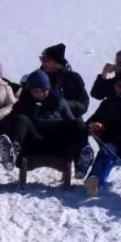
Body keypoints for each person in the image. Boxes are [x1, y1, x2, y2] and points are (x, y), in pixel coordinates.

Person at [0, 69, 87, 172]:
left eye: (43, 90)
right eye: (35, 91)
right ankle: (13, 153)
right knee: (22, 119)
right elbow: (9, 121)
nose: (40, 94)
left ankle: (81, 160)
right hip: (33, 144)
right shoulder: (23, 103)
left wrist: (82, 128)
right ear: (30, 91)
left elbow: (71, 122)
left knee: (78, 122)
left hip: (57, 142)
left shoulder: (59, 102)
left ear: (48, 88)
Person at [37, 43, 93, 174]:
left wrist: (64, 105)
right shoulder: (39, 78)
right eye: (42, 59)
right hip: (45, 120)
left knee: (79, 124)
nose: (42, 62)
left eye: (46, 59)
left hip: (68, 120)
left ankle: (82, 163)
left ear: (56, 61)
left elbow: (83, 104)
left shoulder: (73, 78)